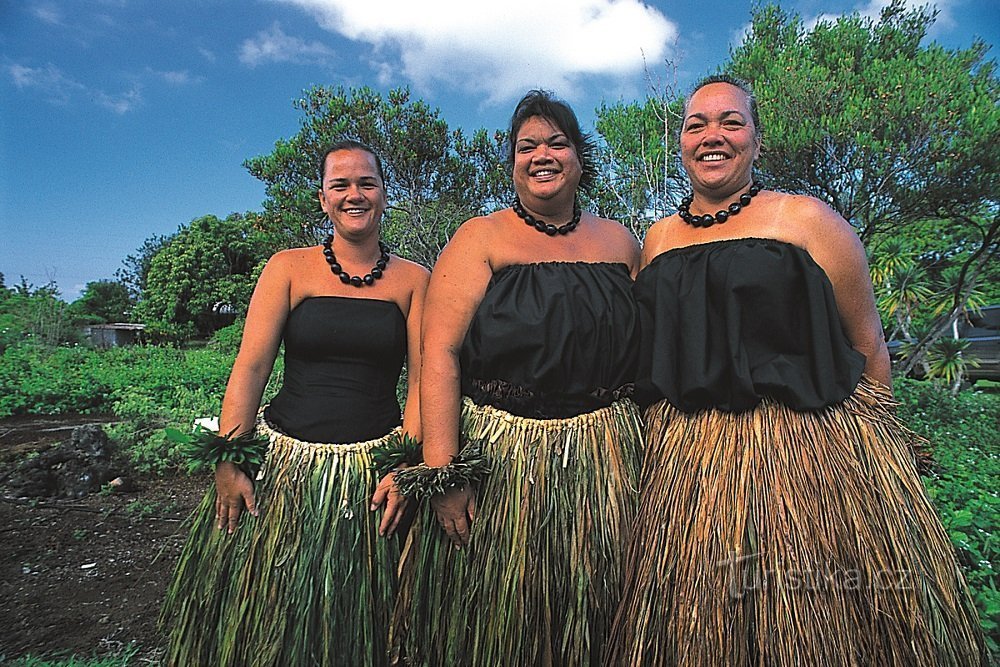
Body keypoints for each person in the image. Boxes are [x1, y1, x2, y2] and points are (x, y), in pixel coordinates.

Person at [603, 75, 984, 666]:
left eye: (731, 122)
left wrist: (886, 466)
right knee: (703, 630)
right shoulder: (656, 240)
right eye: (696, 124)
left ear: (758, 141)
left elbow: (869, 346)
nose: (713, 136)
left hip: (808, 457)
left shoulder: (808, 222)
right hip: (688, 468)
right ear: (680, 143)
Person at [390, 90, 643, 666]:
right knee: (498, 625)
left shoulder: (622, 243)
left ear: (581, 158)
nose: (542, 155)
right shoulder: (480, 238)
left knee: (595, 613)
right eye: (527, 146)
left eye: (557, 143)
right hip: (503, 458)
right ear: (512, 163)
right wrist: (442, 470)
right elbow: (439, 354)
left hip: (604, 456)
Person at [160, 140, 430, 667]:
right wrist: (230, 458)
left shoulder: (415, 280)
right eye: (341, 185)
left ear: (384, 193)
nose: (355, 194)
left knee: (363, 623)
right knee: (272, 618)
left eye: (366, 183)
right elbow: (252, 366)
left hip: (370, 475)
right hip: (287, 468)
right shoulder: (288, 268)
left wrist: (405, 463)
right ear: (323, 198)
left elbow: (424, 380)